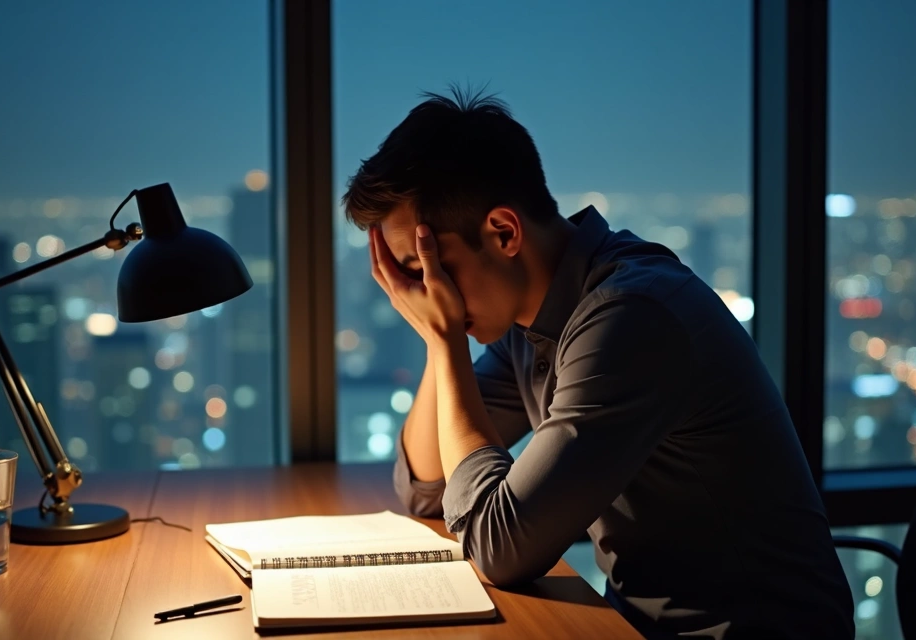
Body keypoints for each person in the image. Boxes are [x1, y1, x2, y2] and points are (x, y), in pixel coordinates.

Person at [342, 88, 854, 639]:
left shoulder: (630, 317)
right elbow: (428, 487)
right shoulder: (529, 322)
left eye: (425, 268)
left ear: (504, 232)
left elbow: (500, 547)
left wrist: (446, 340)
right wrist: (436, 337)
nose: (423, 293)